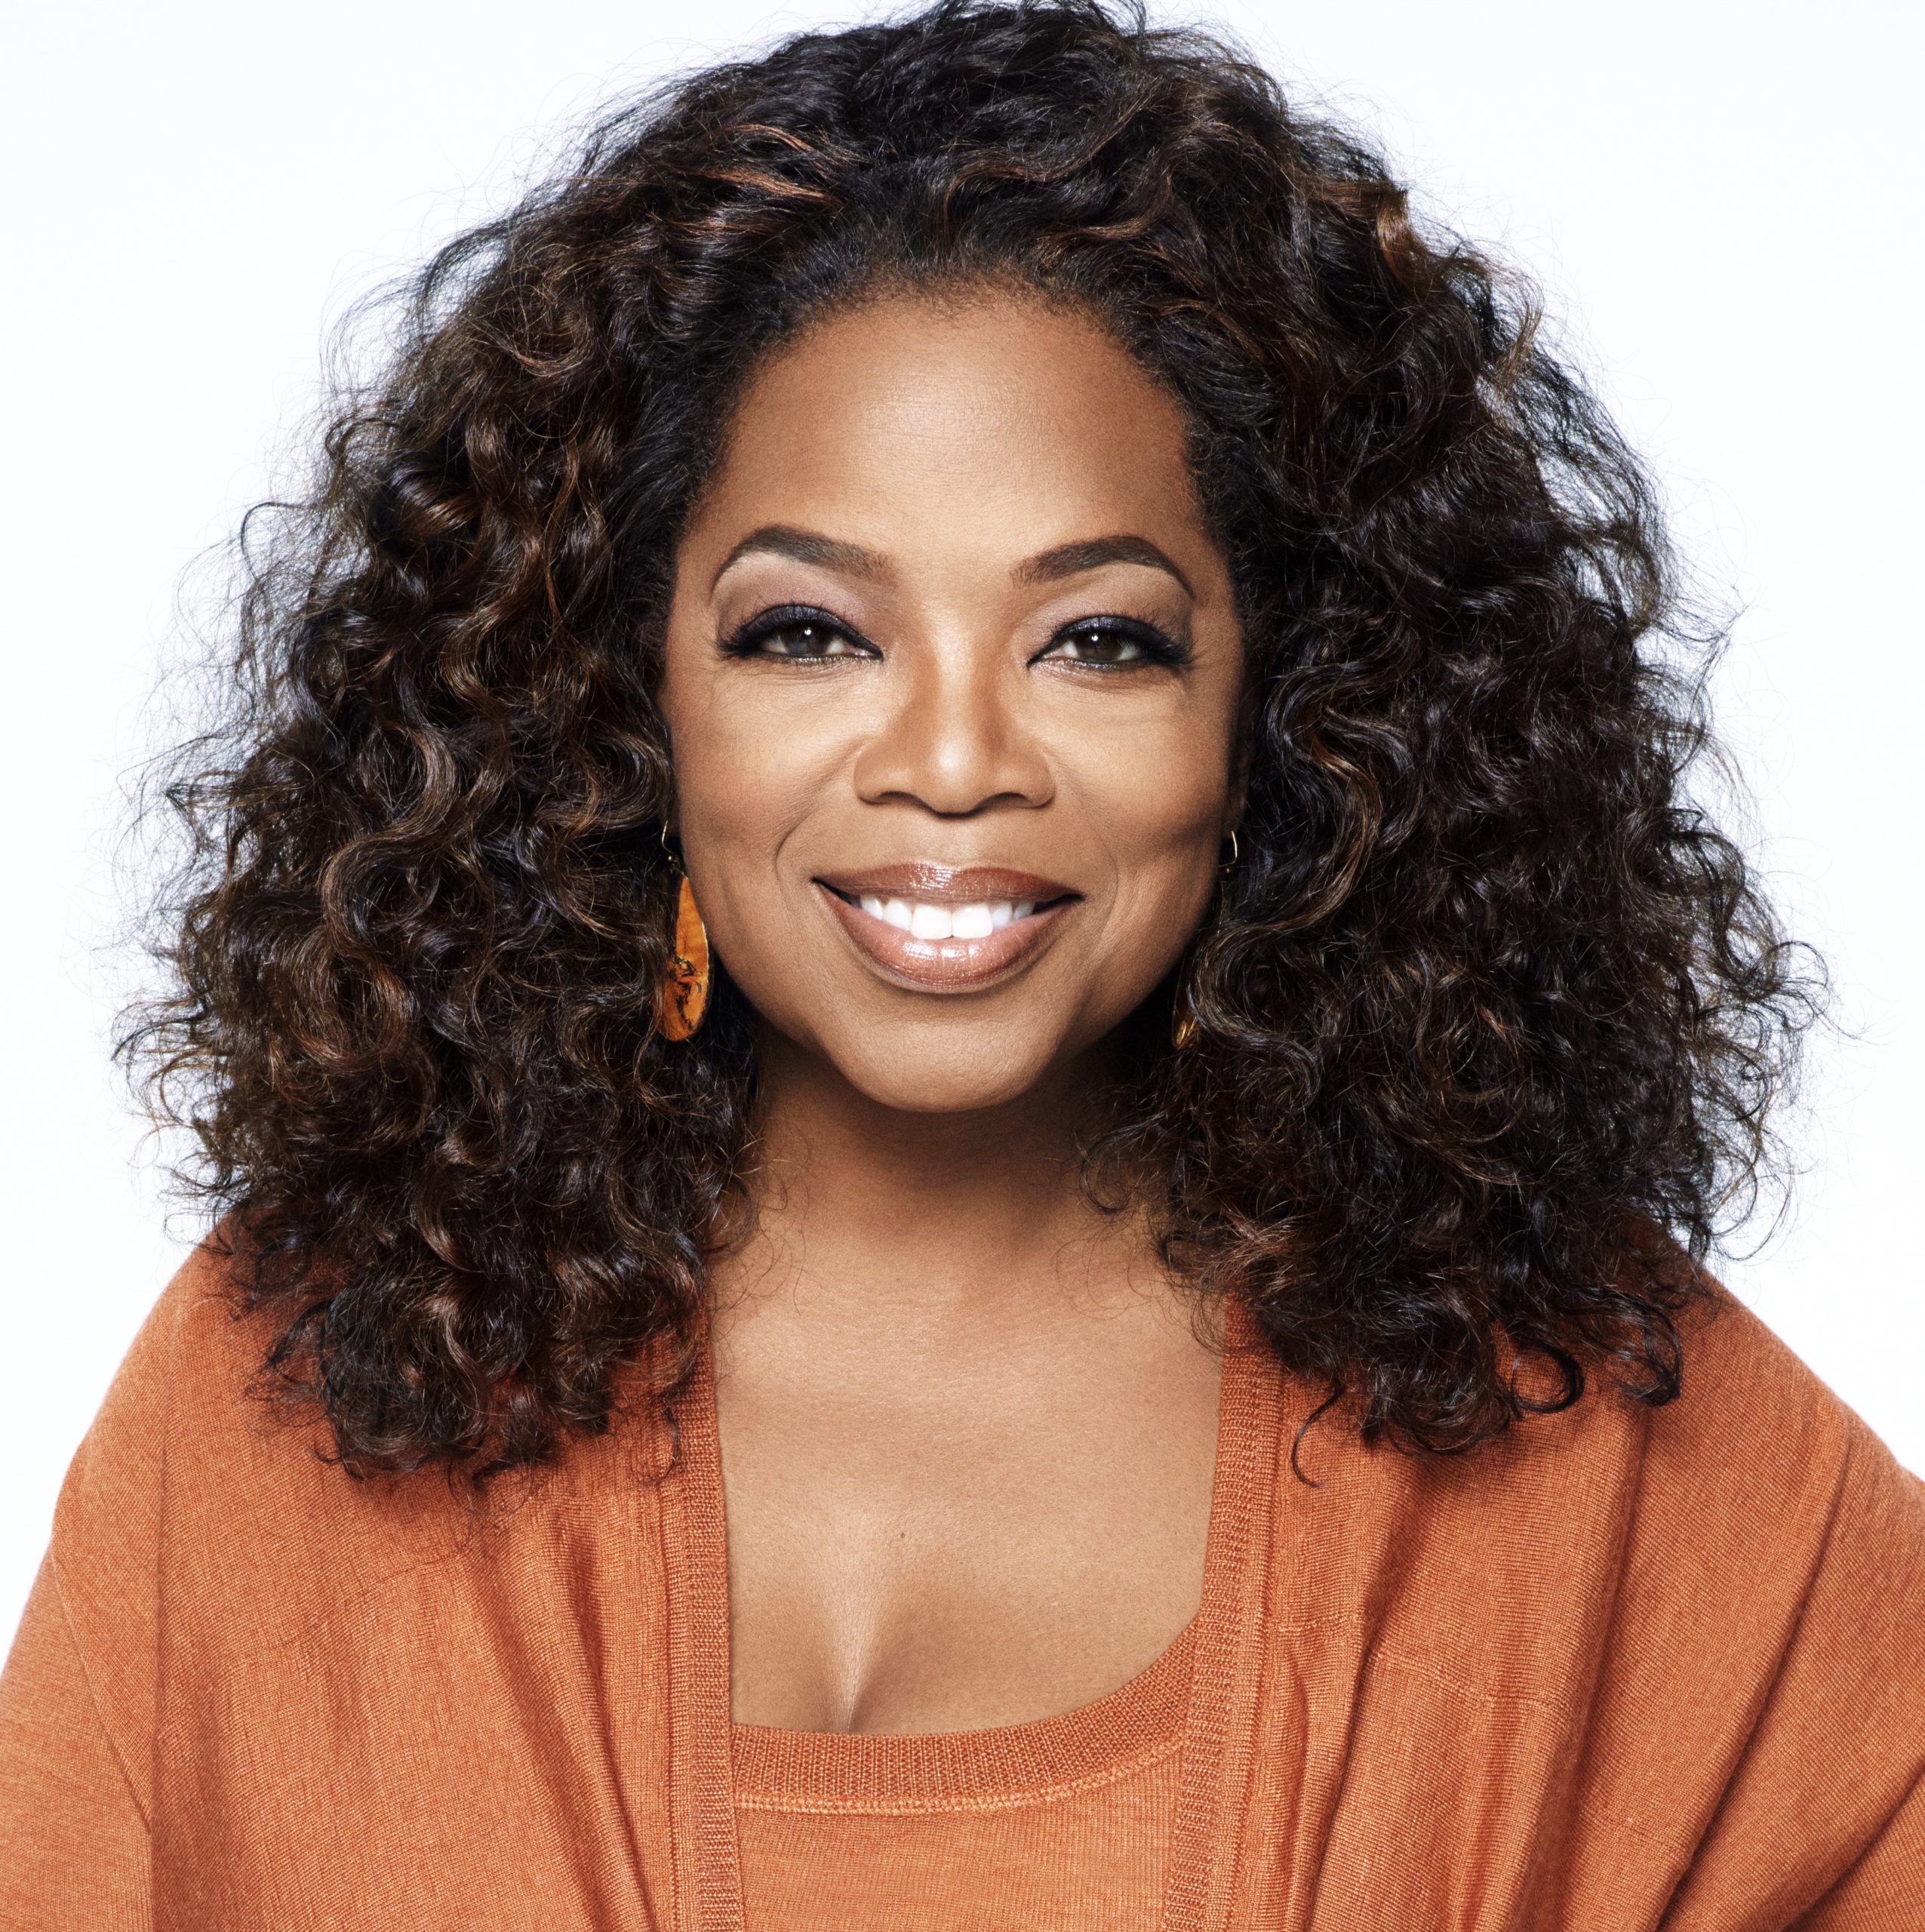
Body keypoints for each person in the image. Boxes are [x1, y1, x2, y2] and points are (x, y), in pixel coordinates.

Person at [1, 1, 1918, 1923]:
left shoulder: (1587, 1447)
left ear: (1294, 712)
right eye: (808, 632)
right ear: (621, 685)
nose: (949, 759)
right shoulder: (290, 1388)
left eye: (1098, 638)